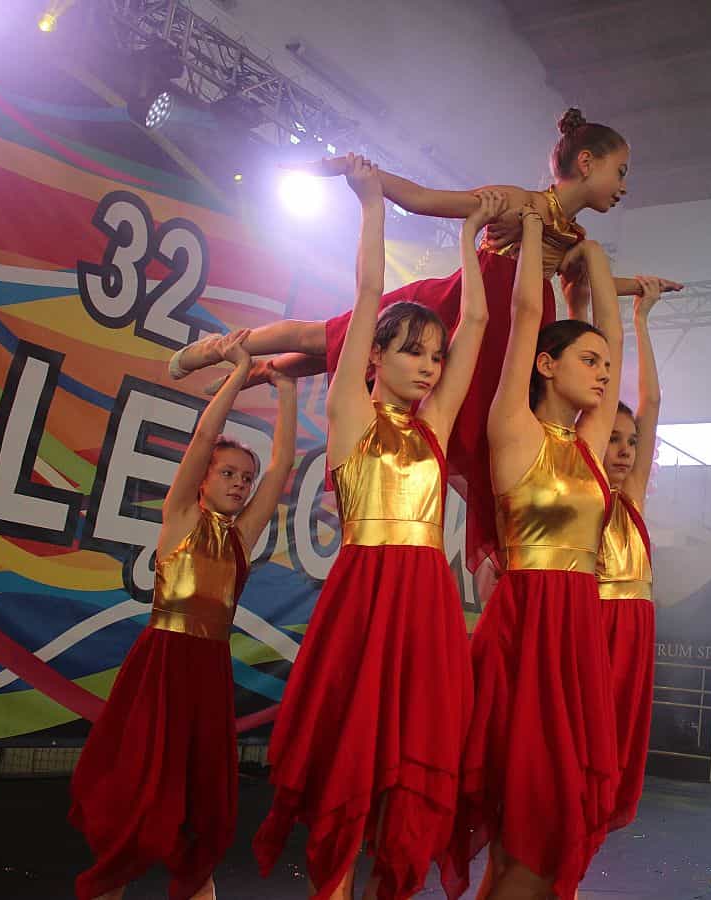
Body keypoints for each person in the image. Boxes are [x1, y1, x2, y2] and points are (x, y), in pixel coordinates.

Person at [169, 109, 681, 573]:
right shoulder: (521, 203)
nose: (623, 186)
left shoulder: (574, 237)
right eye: (621, 172)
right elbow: (423, 199)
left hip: (508, 338)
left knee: (470, 435)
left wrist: (640, 287)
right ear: (587, 163)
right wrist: (360, 173)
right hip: (462, 307)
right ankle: (221, 347)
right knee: (329, 338)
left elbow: (590, 281)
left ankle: (262, 371)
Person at [253, 157, 497, 898]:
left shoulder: (435, 425)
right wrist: (370, 203)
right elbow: (366, 295)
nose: (429, 367)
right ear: (374, 357)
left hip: (427, 604)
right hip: (364, 596)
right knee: (350, 753)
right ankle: (331, 886)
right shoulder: (350, 414)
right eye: (413, 351)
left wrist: (472, 237)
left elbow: (478, 322)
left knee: (417, 754)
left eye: (436, 357)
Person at [69, 330, 298, 900]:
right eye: (228, 474)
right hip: (162, 665)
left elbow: (282, 468)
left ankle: (198, 883)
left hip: (207, 673)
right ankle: (114, 878)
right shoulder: (180, 519)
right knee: (137, 786)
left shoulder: (241, 536)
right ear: (203, 480)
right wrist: (240, 373)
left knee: (200, 796)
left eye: (244, 479)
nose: (240, 484)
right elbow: (203, 437)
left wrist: (287, 388)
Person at [449, 200, 623, 900]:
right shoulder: (514, 429)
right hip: (525, 631)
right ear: (547, 365)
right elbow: (524, 317)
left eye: (606, 365)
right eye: (589, 361)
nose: (604, 373)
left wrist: (594, 256)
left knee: (558, 812)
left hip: (577, 635)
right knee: (526, 804)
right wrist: (530, 229)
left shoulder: (591, 444)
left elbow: (613, 334)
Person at [597, 274, 662, 832]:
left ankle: (601, 807)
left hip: (637, 622)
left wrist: (642, 318)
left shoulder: (633, 494)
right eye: (613, 439)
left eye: (631, 442)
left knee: (622, 730)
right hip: (596, 619)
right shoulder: (583, 493)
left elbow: (652, 402)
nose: (624, 451)